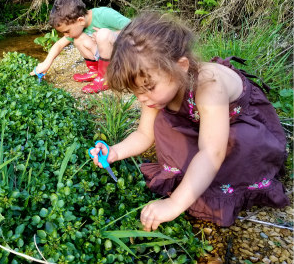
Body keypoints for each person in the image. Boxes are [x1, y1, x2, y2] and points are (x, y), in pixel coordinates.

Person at [90, 12, 289, 230]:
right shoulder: (155, 88)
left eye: (148, 88)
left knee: (236, 146)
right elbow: (144, 134)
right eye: (136, 92)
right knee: (164, 127)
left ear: (181, 66)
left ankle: (214, 182)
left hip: (238, 124)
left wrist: (174, 203)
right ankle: (194, 176)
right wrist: (116, 152)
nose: (142, 99)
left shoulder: (209, 86)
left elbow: (212, 152)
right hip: (202, 125)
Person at [30, 0, 130, 93]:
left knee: (103, 34)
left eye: (67, 31)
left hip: (125, 59)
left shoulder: (104, 14)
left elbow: (135, 29)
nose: (66, 35)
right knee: (78, 38)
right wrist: (46, 64)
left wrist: (109, 34)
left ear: (80, 20)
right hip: (109, 59)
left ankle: (106, 78)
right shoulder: (78, 27)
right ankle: (96, 71)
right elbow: (59, 44)